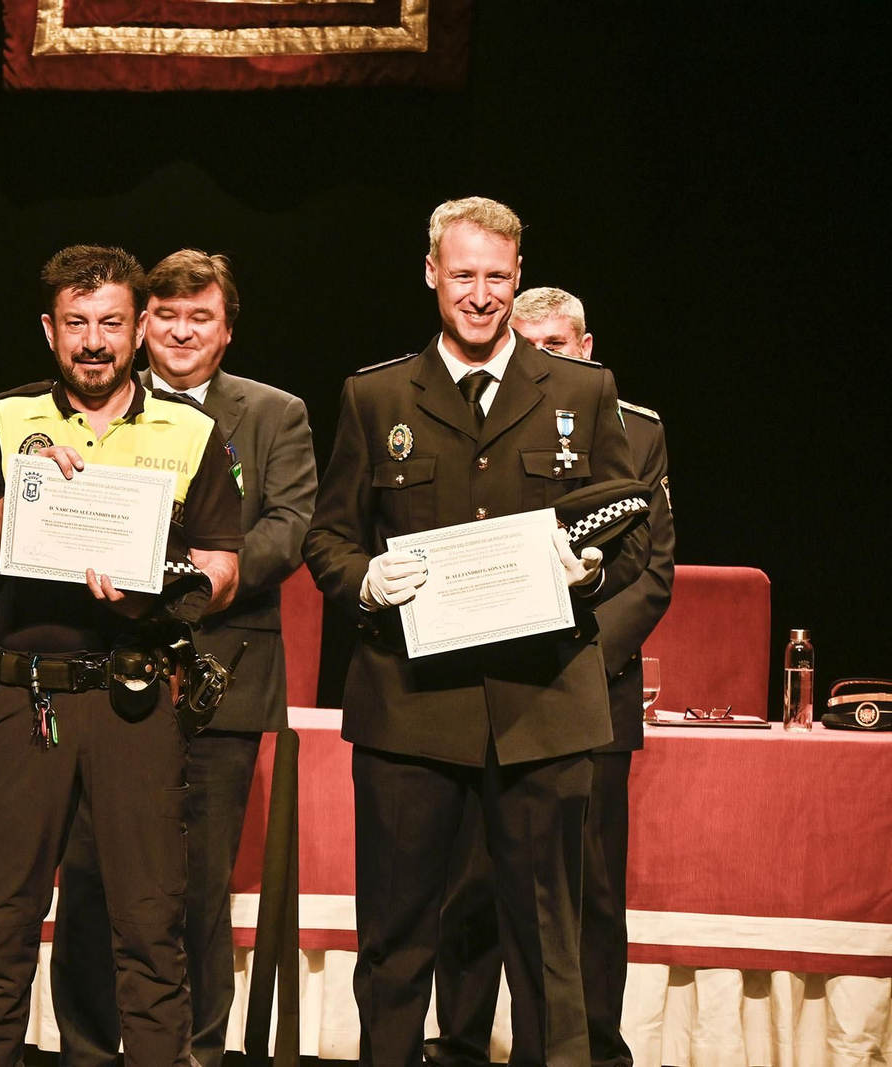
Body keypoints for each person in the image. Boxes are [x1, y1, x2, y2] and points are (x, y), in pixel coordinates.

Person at [302, 196, 648, 1067]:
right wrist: (365, 581)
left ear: (518, 275)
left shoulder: (583, 390)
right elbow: (329, 536)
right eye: (464, 275)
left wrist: (591, 569)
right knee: (396, 941)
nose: (481, 293)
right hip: (411, 711)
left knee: (547, 949)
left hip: (542, 710)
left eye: (497, 275)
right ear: (432, 273)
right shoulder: (375, 394)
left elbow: (623, 527)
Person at [0, 245, 242, 1067]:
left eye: (112, 322)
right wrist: (24, 492)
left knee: (150, 928)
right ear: (49, 330)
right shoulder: (4, 422)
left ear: (141, 327)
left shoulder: (190, 430)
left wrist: (165, 585)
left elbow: (224, 564)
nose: (95, 341)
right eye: (76, 323)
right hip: (23, 697)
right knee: (1, 924)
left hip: (136, 699)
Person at [50, 250, 317, 1067]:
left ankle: (198, 1052)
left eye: (199, 316)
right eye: (164, 315)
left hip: (222, 679)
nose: (180, 331)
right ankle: (90, 1050)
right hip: (103, 674)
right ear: (139, 327)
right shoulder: (97, 405)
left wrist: (185, 581)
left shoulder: (277, 414)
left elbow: (287, 528)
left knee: (197, 890)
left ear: (227, 329)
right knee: (91, 879)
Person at [427, 287, 675, 1067]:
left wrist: (574, 661)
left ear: (588, 346)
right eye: (530, 343)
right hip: (482, 690)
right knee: (469, 884)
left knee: (589, 893)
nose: (547, 357)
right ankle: (460, 1043)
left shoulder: (636, 428)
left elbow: (652, 571)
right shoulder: (476, 422)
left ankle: (596, 1050)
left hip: (588, 692)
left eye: (560, 344)